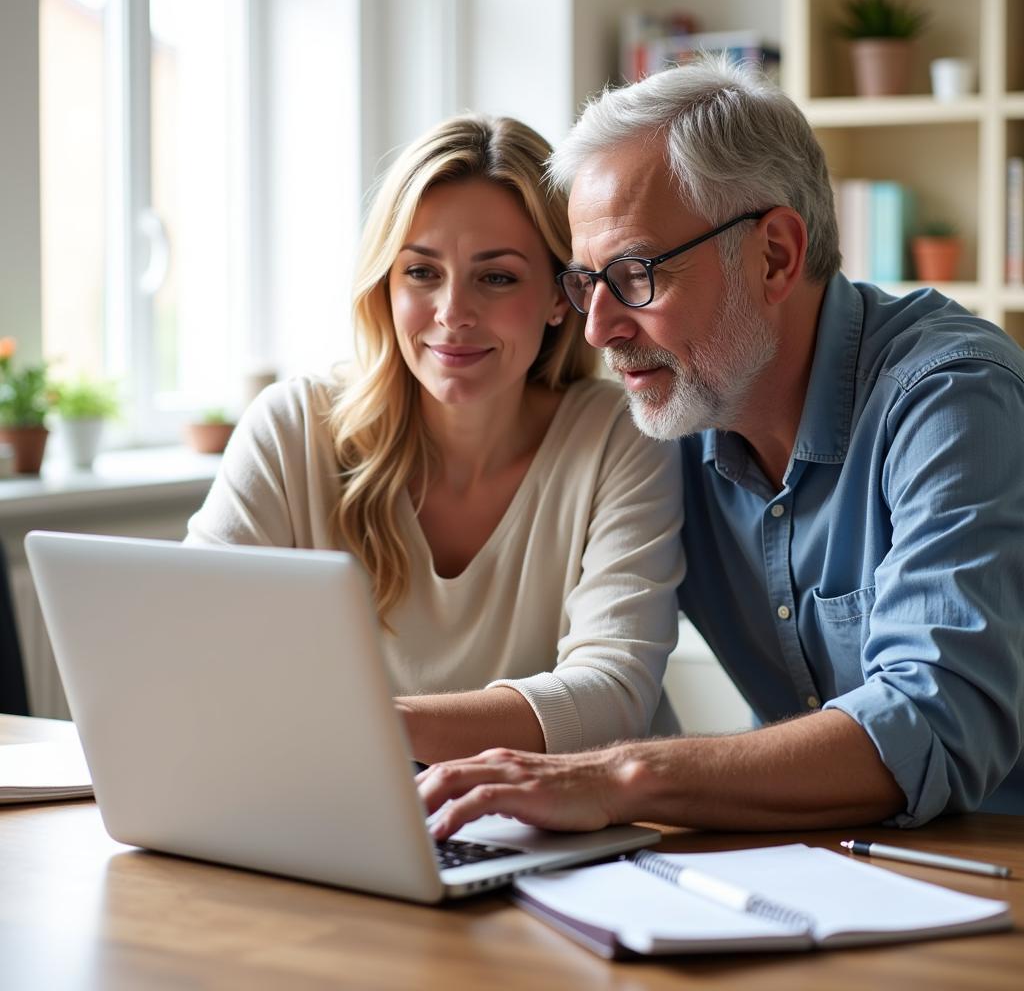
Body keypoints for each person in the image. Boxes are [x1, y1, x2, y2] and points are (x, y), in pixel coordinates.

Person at [419, 57, 1024, 839]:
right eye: (585, 283)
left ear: (774, 254)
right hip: (813, 868)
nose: (599, 327)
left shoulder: (952, 397)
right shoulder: (669, 420)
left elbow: (934, 722)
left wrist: (618, 777)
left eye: (636, 274)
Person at [185, 114, 685, 764]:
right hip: (352, 817)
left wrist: (363, 725)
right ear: (386, 286)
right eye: (421, 273)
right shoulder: (291, 430)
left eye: (497, 276)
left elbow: (613, 694)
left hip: (588, 835)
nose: (453, 313)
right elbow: (192, 649)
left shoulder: (618, 435)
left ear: (562, 297)